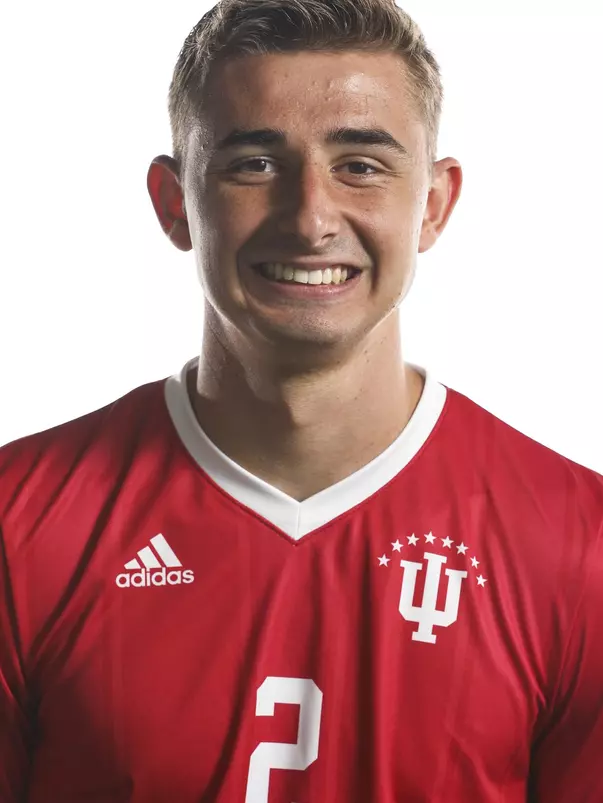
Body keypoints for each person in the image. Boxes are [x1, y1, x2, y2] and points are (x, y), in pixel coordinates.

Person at [1, 0, 602, 800]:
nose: (311, 217)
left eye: (360, 164)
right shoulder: (19, 523)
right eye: (254, 163)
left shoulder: (577, 548)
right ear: (174, 202)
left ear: (432, 203)